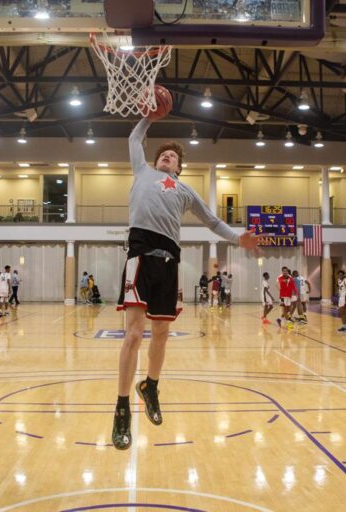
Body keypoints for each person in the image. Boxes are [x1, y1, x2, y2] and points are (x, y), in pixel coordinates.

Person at [112, 114, 259, 451]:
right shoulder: (142, 171)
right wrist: (148, 118)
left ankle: (150, 386)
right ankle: (121, 410)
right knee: (133, 335)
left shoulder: (185, 190)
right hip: (140, 253)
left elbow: (213, 221)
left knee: (161, 333)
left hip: (170, 260)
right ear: (155, 160)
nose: (167, 157)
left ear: (179, 167)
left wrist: (238, 239)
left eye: (173, 156)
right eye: (163, 154)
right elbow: (134, 141)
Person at [276, 267, 297, 331]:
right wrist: (284, 281)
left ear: (287, 271)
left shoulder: (290, 277)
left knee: (288, 309)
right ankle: (289, 324)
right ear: (282, 271)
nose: (285, 272)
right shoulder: (280, 277)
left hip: (289, 295)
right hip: (283, 296)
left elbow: (293, 286)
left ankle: (279, 319)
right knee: (285, 309)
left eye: (286, 271)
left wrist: (296, 293)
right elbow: (280, 282)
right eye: (284, 271)